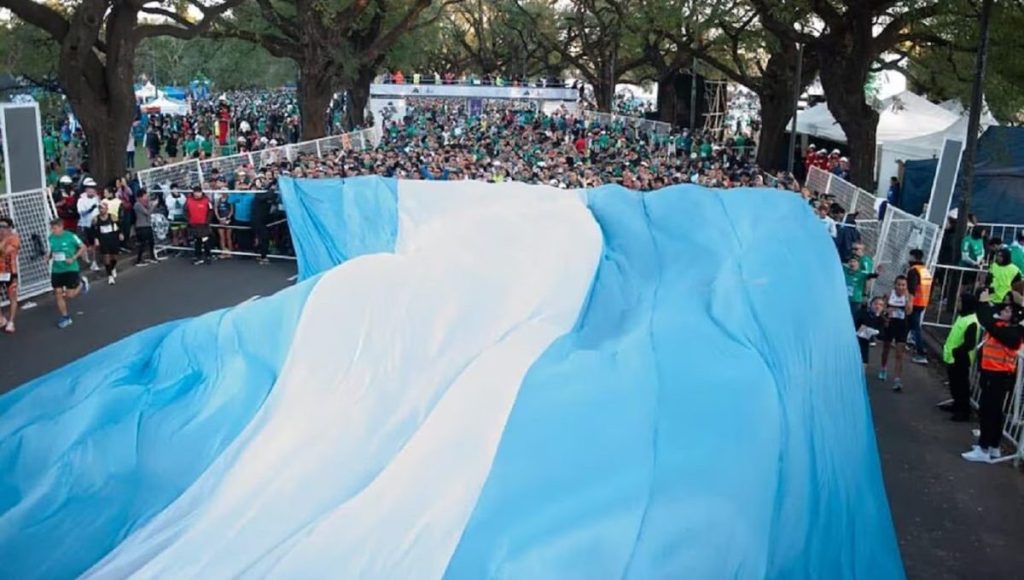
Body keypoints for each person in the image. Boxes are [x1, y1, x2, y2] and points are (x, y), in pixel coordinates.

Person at [962, 290, 1023, 463]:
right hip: (993, 372)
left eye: (1008, 310)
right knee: (993, 411)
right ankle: (993, 446)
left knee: (990, 411)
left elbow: (987, 321)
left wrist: (982, 302)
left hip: (999, 375)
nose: (1003, 310)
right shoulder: (1005, 327)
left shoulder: (1013, 333)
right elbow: (990, 317)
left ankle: (984, 447)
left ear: (1015, 316)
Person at [942, 292, 980, 422]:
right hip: (954, 357)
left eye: (960, 302)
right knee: (954, 384)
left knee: (961, 385)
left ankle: (963, 411)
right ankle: (957, 405)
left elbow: (969, 343)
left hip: (961, 358)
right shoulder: (963, 317)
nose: (958, 304)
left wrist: (957, 352)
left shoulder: (972, 322)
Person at [46, 218, 90, 329]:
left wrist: (73, 258)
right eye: (52, 228)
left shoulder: (71, 236)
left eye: (55, 228)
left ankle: (82, 284)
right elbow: (52, 250)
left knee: (70, 295)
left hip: (70, 268)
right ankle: (65, 317)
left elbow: (83, 247)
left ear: (61, 227)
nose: (53, 230)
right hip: (57, 270)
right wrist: (48, 257)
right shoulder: (51, 238)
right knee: (58, 293)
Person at [880, 275, 912, 391]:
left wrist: (907, 299)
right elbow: (881, 310)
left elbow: (909, 311)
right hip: (890, 324)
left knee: (899, 354)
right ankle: (883, 368)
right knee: (886, 349)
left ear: (906, 286)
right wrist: (886, 312)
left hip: (902, 326)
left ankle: (897, 380)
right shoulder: (889, 295)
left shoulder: (908, 296)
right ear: (895, 285)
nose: (901, 287)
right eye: (899, 284)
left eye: (903, 285)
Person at [906, 249, 932, 364]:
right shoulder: (924, 270)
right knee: (910, 323)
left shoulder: (913, 271)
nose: (908, 258)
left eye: (910, 256)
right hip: (922, 302)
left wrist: (909, 303)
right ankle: (905, 341)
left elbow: (912, 289)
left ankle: (921, 353)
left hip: (915, 302)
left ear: (914, 257)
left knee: (915, 327)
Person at [854, 297, 886, 372]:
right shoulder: (862, 313)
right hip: (854, 341)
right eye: (876, 304)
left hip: (864, 343)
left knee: (864, 365)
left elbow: (881, 336)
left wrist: (876, 331)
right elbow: (853, 324)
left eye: (881, 305)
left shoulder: (880, 319)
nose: (878, 306)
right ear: (871, 304)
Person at [76, 178, 101, 271]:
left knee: (95, 244)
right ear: (86, 189)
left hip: (95, 225)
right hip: (85, 226)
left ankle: (94, 262)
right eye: (90, 187)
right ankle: (89, 261)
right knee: (88, 245)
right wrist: (90, 209)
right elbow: (81, 212)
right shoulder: (81, 200)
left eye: (93, 187)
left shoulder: (96, 198)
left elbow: (99, 209)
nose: (92, 189)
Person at [0, 217, 20, 334]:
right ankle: (1, 319)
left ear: (9, 228)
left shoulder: (14, 239)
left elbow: (4, 252)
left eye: (4, 227)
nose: (1, 230)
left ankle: (11, 321)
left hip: (10, 272)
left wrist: (5, 240)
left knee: (12, 296)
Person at [185, 186, 214, 265]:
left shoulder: (206, 200)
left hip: (204, 225)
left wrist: (207, 221)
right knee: (197, 241)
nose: (197, 194)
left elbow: (211, 211)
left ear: (201, 192)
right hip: (194, 225)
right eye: (195, 192)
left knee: (205, 241)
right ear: (193, 192)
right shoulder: (188, 200)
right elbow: (185, 211)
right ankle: (198, 257)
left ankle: (208, 256)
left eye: (198, 192)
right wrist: (189, 220)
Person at [94, 202, 121, 285]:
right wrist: (96, 238)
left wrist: (120, 233)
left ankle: (112, 268)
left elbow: (120, 225)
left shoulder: (112, 217)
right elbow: (94, 230)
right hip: (103, 239)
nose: (101, 210)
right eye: (100, 208)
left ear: (106, 209)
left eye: (102, 208)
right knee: (106, 256)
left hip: (112, 238)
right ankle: (110, 276)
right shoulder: (95, 219)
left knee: (115, 256)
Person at [134, 189, 159, 265]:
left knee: (151, 242)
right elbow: (147, 212)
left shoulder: (145, 203)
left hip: (147, 225)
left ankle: (152, 257)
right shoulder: (137, 204)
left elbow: (149, 208)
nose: (147, 197)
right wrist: (153, 206)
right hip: (141, 226)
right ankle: (138, 260)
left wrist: (152, 204)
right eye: (145, 195)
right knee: (143, 244)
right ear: (141, 196)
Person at [214, 190, 235, 258]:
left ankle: (230, 252)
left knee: (228, 237)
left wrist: (228, 218)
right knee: (222, 237)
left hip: (228, 221)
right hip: (220, 220)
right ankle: (223, 251)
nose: (224, 193)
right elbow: (216, 209)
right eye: (222, 191)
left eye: (225, 191)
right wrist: (219, 218)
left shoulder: (230, 200)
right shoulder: (218, 200)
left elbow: (232, 210)